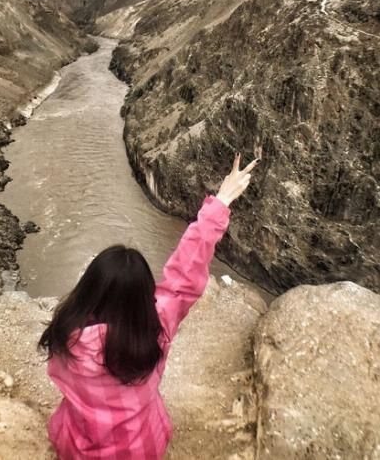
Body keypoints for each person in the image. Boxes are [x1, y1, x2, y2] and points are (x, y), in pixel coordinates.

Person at [38, 152, 259, 459]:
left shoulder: (65, 336)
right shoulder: (156, 327)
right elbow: (184, 275)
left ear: (88, 289)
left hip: (79, 450)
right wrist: (220, 202)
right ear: (145, 296)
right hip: (142, 448)